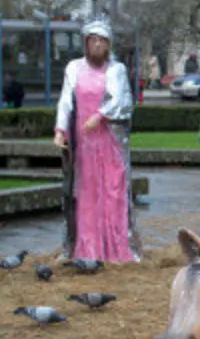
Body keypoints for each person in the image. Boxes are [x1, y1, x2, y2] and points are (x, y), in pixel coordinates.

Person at [53, 18, 140, 263]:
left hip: (108, 141)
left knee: (112, 191)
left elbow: (121, 100)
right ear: (86, 43)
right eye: (93, 40)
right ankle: (86, 249)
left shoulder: (116, 69)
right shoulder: (74, 68)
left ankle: (114, 248)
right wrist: (60, 129)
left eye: (102, 41)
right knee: (86, 193)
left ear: (108, 45)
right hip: (83, 144)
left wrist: (100, 115)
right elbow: (66, 101)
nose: (98, 45)